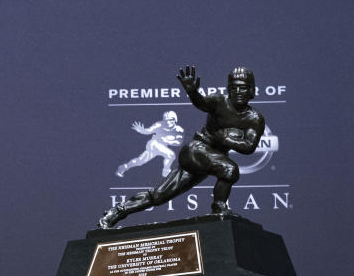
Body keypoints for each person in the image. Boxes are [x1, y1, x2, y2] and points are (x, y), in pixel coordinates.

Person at [99, 66, 264, 228]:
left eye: (243, 88)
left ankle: (117, 211)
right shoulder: (219, 101)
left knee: (159, 195)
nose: (238, 92)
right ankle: (219, 207)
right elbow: (201, 103)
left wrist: (227, 139)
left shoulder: (254, 119)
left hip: (209, 161)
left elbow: (248, 147)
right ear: (228, 90)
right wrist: (192, 92)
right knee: (229, 169)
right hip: (196, 150)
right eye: (233, 88)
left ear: (251, 91)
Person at [116, 111, 184, 178]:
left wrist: (168, 141)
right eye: (166, 120)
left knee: (140, 161)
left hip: (162, 147)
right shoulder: (159, 125)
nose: (168, 122)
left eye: (171, 120)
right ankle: (166, 172)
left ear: (175, 119)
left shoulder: (179, 130)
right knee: (171, 155)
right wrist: (142, 130)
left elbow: (179, 143)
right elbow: (148, 131)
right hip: (154, 144)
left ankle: (124, 167)